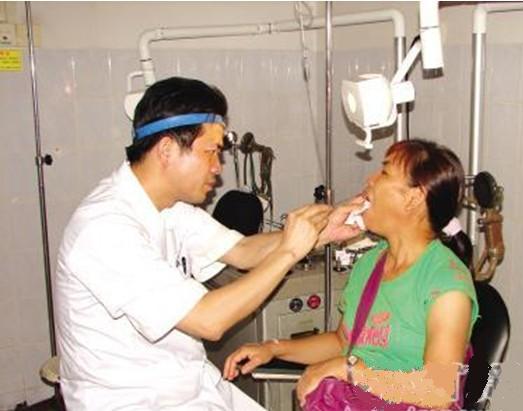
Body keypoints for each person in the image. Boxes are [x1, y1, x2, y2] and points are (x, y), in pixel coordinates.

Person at [54, 77, 361, 410]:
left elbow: (243, 252)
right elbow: (208, 321)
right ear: (167, 150)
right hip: (133, 399)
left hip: (188, 384)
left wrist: (321, 233)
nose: (218, 167)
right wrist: (289, 251)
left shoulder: (169, 207)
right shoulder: (104, 229)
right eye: (210, 152)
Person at [224, 139, 479, 410]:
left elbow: (438, 392)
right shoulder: (371, 263)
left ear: (413, 198)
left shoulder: (447, 285)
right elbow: (342, 342)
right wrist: (273, 348)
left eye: (384, 172)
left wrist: (349, 370)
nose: (370, 179)